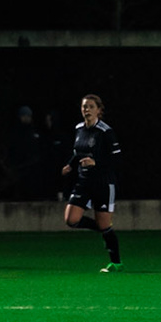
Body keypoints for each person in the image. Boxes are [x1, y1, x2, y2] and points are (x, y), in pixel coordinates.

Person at [62, 94, 123, 270]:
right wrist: (70, 164)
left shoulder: (105, 132)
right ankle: (103, 229)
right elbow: (77, 152)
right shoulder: (79, 128)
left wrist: (96, 162)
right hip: (84, 181)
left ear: (99, 110)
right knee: (71, 220)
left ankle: (116, 262)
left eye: (90, 106)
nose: (86, 110)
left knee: (104, 224)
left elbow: (117, 159)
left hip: (103, 182)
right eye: (84, 107)